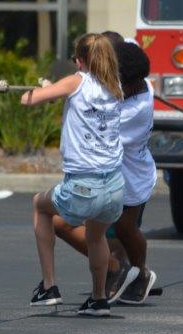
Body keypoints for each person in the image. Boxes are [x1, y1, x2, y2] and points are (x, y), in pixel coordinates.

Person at [22, 33, 124, 317]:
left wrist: (46, 88)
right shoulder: (115, 85)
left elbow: (28, 99)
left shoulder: (76, 81)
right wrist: (56, 91)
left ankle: (49, 286)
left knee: (40, 206)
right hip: (115, 185)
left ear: (79, 61)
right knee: (96, 237)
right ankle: (98, 299)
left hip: (83, 184)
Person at [53, 40, 158, 304]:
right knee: (113, 230)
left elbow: (90, 117)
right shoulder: (142, 86)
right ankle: (124, 270)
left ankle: (133, 272)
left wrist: (67, 88)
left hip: (129, 179)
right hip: (118, 174)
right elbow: (124, 46)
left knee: (123, 229)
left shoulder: (132, 111)